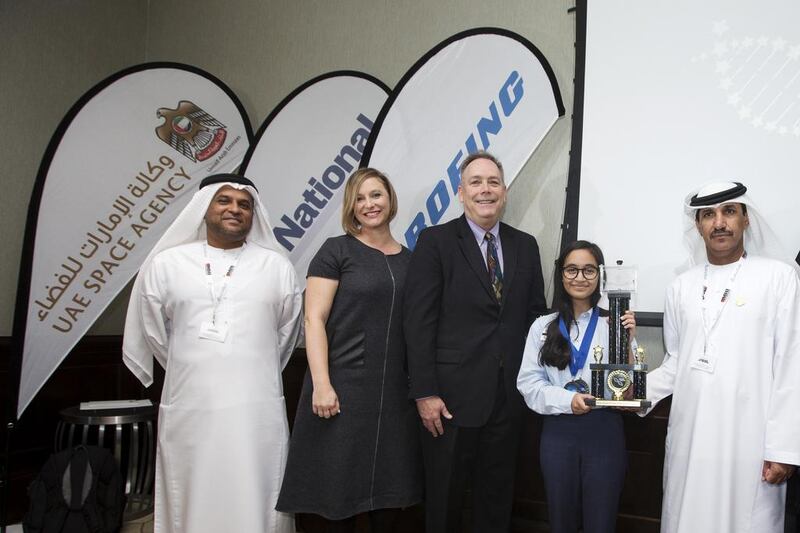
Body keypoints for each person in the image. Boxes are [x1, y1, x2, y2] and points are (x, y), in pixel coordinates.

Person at [122, 174, 302, 533]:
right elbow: (155, 333)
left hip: (256, 407)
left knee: (258, 488)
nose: (234, 209)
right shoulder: (167, 264)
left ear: (253, 214)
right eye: (224, 201)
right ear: (204, 207)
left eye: (244, 204)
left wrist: (250, 365)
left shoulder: (277, 267)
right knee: (192, 490)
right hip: (191, 403)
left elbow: (286, 332)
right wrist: (192, 364)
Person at [403, 151, 547, 532]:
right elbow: (418, 322)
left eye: (493, 182)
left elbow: (536, 318)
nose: (486, 190)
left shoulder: (525, 245)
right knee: (445, 499)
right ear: (461, 193)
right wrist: (425, 392)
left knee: (497, 499)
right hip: (448, 401)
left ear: (505, 191)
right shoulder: (435, 242)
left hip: (509, 397)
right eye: (476, 182)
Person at [644, 181, 800, 533]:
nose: (719, 223)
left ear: (746, 220)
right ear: (697, 226)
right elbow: (676, 362)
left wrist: (785, 449)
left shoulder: (779, 277)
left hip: (751, 441)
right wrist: (630, 391)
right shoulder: (680, 286)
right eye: (708, 215)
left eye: (729, 211)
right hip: (691, 438)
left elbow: (793, 366)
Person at [277, 168, 422, 531]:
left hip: (393, 396)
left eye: (376, 195)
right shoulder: (336, 251)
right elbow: (314, 319)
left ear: (390, 200)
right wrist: (322, 384)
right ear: (350, 206)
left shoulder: (411, 259)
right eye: (360, 198)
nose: (369, 204)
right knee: (337, 496)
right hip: (343, 388)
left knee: (390, 496)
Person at [517, 240, 636, 533]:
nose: (580, 277)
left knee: (601, 521)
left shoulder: (614, 323)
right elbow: (529, 384)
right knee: (561, 520)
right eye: (572, 270)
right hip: (558, 433)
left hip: (604, 431)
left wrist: (628, 340)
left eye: (588, 270)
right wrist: (567, 401)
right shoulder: (543, 326)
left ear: (600, 276)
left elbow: (628, 390)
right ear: (561, 275)